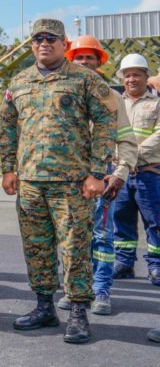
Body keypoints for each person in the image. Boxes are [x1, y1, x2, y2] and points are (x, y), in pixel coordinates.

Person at [0, 19, 117, 344]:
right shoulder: (20, 82)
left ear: (64, 43)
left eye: (51, 38)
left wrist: (97, 172)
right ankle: (43, 306)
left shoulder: (84, 79)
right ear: (31, 44)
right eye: (38, 38)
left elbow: (107, 122)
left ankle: (78, 312)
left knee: (75, 247)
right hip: (31, 182)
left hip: (72, 182)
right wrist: (8, 169)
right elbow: (8, 126)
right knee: (37, 248)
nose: (44, 43)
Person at [58, 36, 138, 315]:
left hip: (102, 178)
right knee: (71, 236)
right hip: (67, 179)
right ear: (70, 60)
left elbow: (127, 140)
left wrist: (120, 174)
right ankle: (75, 288)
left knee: (102, 238)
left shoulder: (112, 97)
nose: (83, 63)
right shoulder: (61, 94)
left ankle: (101, 290)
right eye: (78, 58)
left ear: (98, 61)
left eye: (89, 58)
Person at [113, 53, 160, 287]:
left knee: (155, 222)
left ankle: (156, 266)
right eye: (127, 75)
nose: (131, 79)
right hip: (120, 175)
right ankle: (124, 263)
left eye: (136, 75)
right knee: (121, 220)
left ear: (146, 76)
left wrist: (131, 155)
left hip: (147, 174)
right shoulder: (115, 103)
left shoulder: (157, 103)